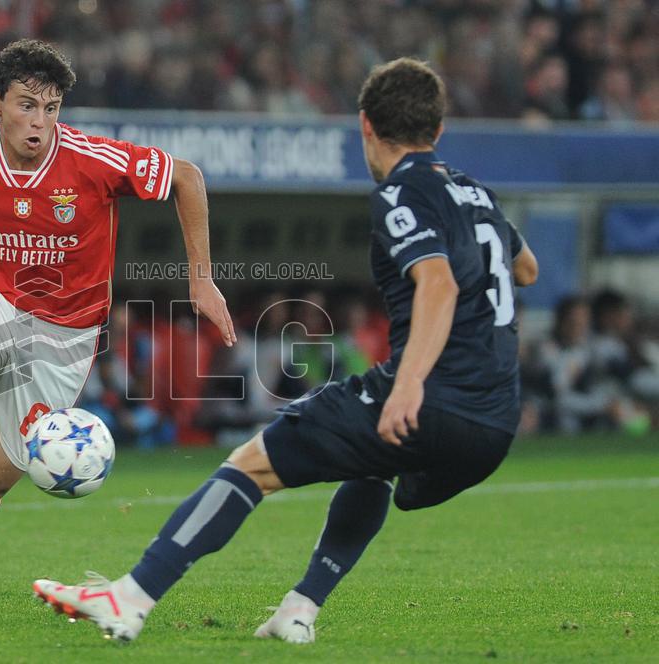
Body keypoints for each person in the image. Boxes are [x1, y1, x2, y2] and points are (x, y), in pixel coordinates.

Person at [32, 57, 540, 643]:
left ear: (365, 126)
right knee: (373, 463)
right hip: (495, 422)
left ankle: (130, 596)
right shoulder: (475, 194)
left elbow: (439, 284)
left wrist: (408, 385)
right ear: (439, 130)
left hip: (431, 397)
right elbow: (524, 269)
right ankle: (298, 610)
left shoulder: (402, 192)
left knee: (250, 464)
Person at [0, 39, 235, 599]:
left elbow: (186, 177)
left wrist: (200, 277)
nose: (39, 122)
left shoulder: (92, 160)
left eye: (50, 109)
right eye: (26, 105)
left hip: (64, 340)